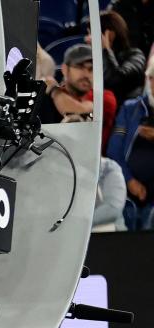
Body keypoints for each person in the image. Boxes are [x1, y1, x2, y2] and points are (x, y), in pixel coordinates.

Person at [41, 44, 117, 151]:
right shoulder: (54, 95)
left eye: (91, 69)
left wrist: (53, 90)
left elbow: (77, 110)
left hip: (91, 161)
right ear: (65, 69)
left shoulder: (105, 97)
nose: (86, 74)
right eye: (80, 67)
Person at [107, 59, 154, 230]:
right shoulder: (130, 109)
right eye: (153, 77)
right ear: (149, 80)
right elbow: (114, 150)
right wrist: (129, 180)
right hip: (128, 192)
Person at [86, 10, 147, 105]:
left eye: (92, 34)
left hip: (123, 113)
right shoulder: (90, 59)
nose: (87, 38)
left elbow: (114, 81)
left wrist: (106, 50)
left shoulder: (135, 56)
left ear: (110, 35)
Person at [92, 157, 128, 231]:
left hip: (110, 234)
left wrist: (77, 222)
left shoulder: (108, 168)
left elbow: (113, 209)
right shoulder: (64, 173)